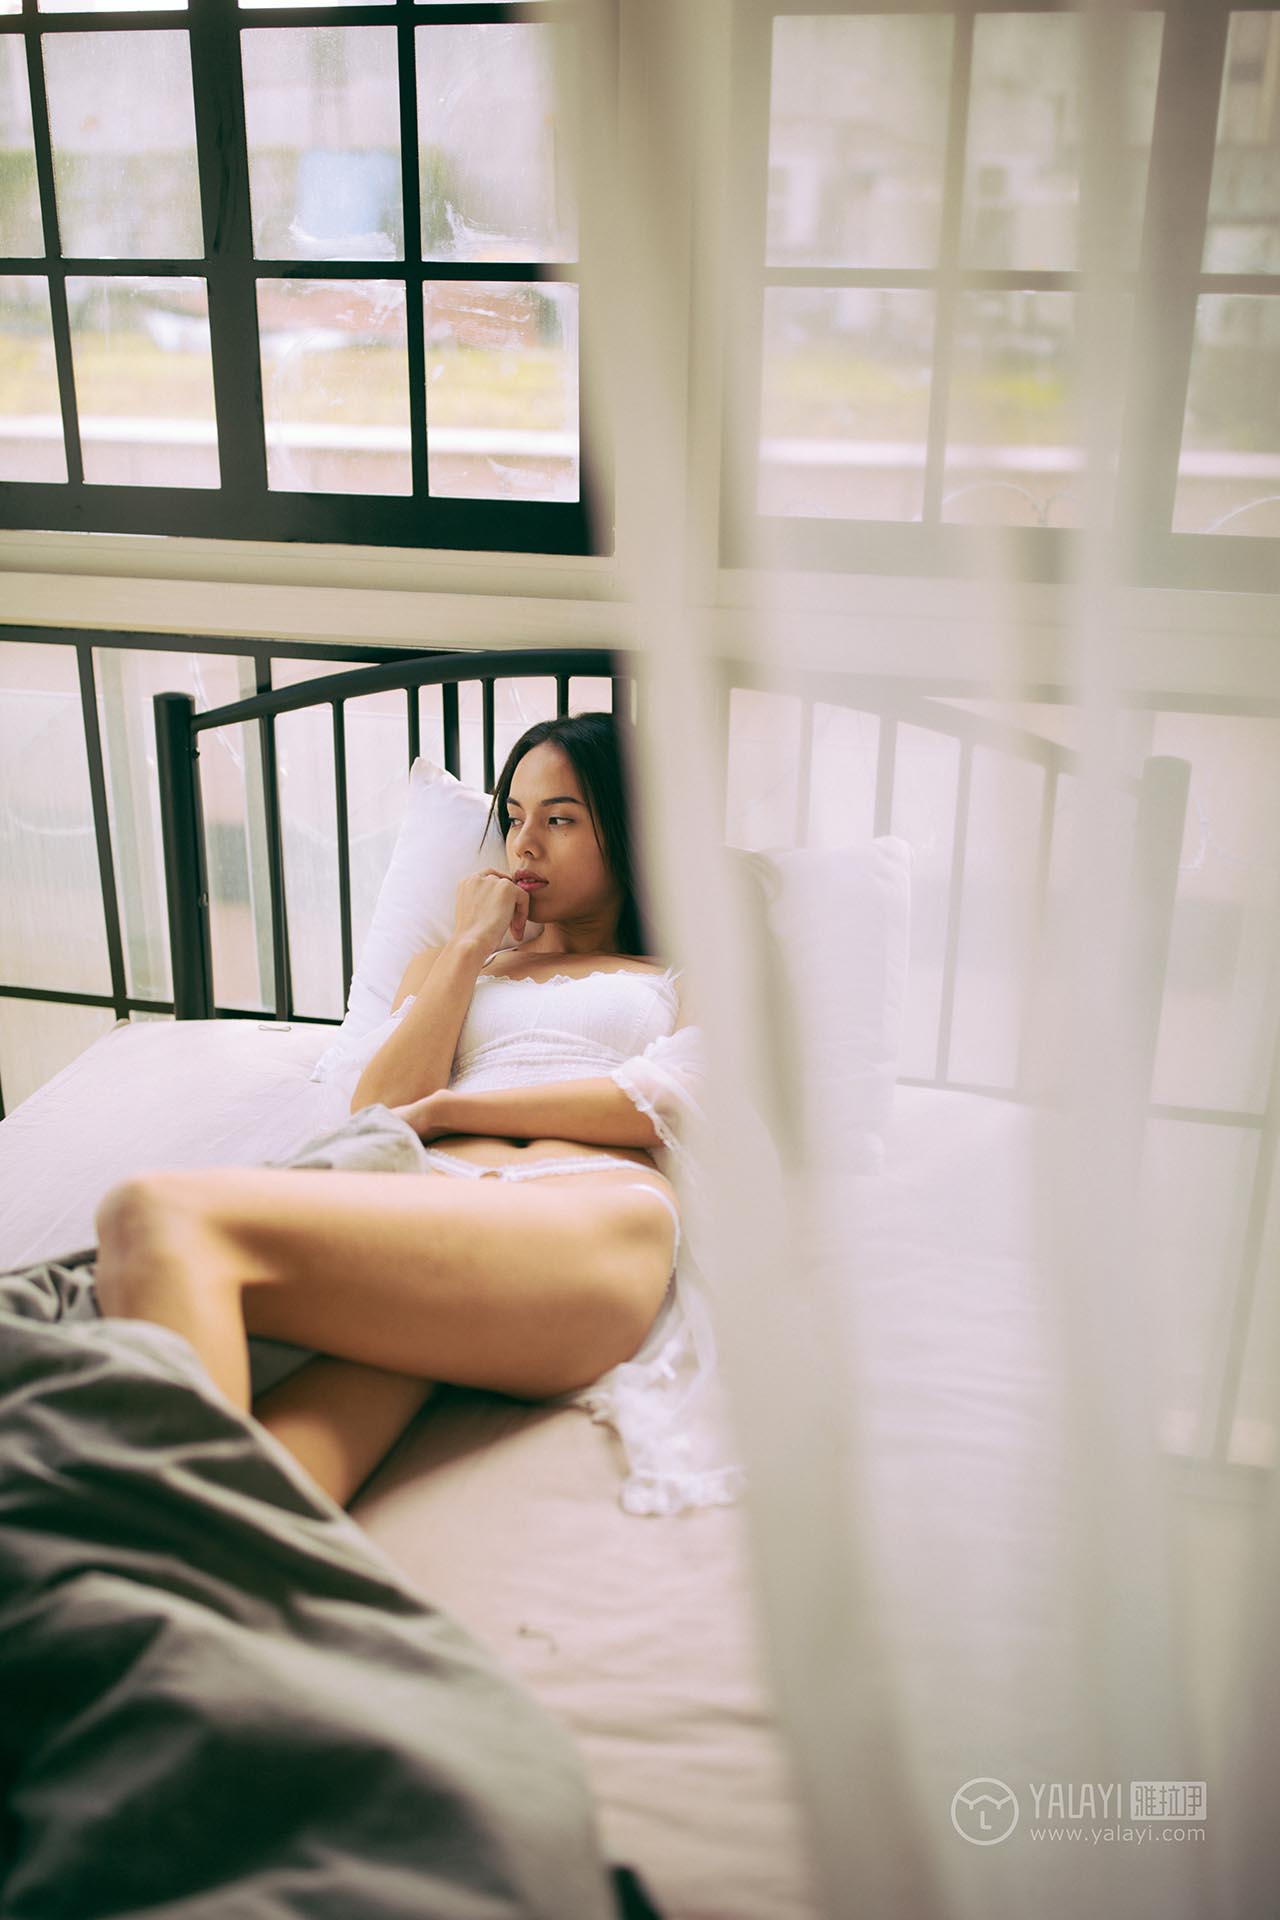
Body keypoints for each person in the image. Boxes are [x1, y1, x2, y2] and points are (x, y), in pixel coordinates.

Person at [92, 713, 726, 1517]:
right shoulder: (448, 966)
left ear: (632, 832)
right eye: (514, 818)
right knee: (260, 1487)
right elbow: (382, 1106)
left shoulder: (683, 973)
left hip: (592, 1219)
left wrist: (456, 1106)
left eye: (560, 819)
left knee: (154, 1214)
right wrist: (467, 948)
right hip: (430, 1217)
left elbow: (670, 1101)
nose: (524, 846)